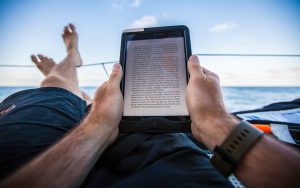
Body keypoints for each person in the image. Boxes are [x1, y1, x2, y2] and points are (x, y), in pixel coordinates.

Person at [0, 24, 299, 188]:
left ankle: (70, 66)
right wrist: (213, 120)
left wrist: (99, 126)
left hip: (58, 149)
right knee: (95, 102)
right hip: (167, 154)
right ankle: (85, 89)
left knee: (58, 88)